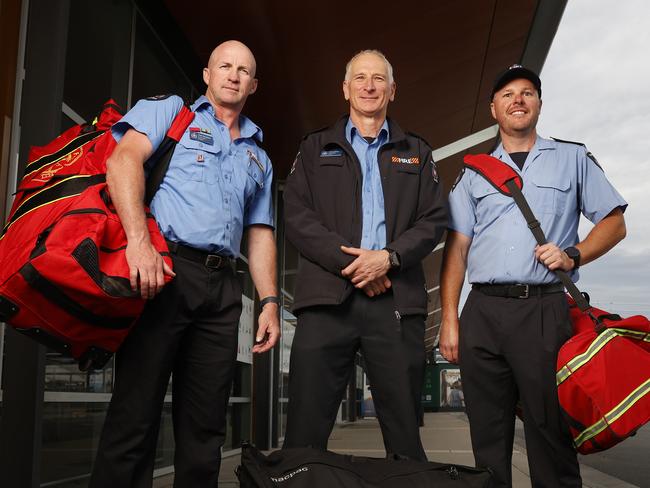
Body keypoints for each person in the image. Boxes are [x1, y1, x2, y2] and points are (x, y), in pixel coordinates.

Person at [89, 40, 280, 488]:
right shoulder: (173, 112)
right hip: (164, 272)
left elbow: (260, 233)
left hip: (223, 290)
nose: (233, 75)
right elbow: (122, 163)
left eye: (244, 70)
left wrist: (270, 299)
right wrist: (139, 242)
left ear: (254, 84)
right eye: (224, 66)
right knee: (135, 417)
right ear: (207, 76)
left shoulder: (259, 155)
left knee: (206, 429)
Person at [440, 64, 627, 487]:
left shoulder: (572, 158)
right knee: (486, 437)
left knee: (549, 433)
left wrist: (573, 255)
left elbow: (614, 223)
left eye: (527, 92)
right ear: (494, 108)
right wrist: (449, 318)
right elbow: (457, 249)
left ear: (539, 104)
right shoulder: (474, 171)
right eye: (507, 95)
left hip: (542, 311)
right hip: (483, 312)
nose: (517, 100)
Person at [282, 49, 447, 460]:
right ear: (345, 88)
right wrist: (356, 265)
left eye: (378, 79)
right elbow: (298, 217)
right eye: (360, 78)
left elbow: (432, 221)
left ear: (392, 90)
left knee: (405, 431)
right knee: (304, 429)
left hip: (395, 302)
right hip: (326, 301)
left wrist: (387, 258)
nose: (369, 86)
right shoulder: (315, 147)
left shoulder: (417, 151)